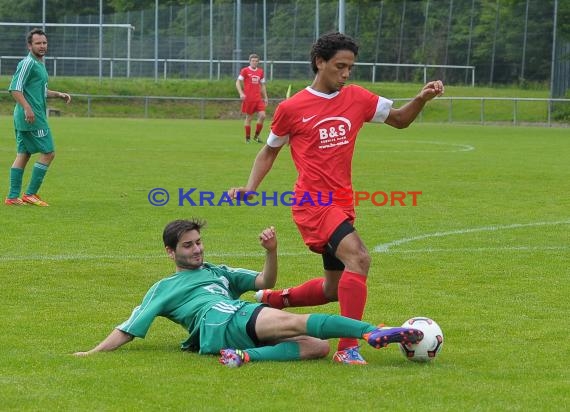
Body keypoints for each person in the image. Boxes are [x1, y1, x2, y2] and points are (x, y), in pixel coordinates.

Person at [228, 32, 444, 364]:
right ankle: (348, 348)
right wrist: (250, 188)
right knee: (359, 258)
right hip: (313, 205)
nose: (345, 74)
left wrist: (421, 98)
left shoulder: (357, 98)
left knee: (333, 288)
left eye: (350, 68)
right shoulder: (292, 108)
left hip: (343, 203)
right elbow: (269, 152)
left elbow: (400, 120)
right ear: (320, 63)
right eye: (340, 67)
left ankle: (273, 300)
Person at [73, 218, 423, 367]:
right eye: (188, 245)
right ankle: (371, 332)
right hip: (223, 317)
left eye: (198, 242)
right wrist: (92, 353)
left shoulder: (218, 271)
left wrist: (271, 251)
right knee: (294, 322)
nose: (196, 250)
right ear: (170, 252)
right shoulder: (165, 288)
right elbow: (128, 328)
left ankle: (243, 357)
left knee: (315, 347)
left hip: (230, 330)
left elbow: (263, 282)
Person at [4, 28, 71, 207]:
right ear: (29, 45)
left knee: (23, 154)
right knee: (48, 153)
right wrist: (27, 108)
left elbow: (39, 90)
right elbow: (15, 88)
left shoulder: (39, 64)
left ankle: (12, 197)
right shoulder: (27, 63)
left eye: (44, 43)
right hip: (32, 117)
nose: (42, 46)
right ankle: (30, 194)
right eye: (38, 43)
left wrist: (58, 94)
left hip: (28, 116)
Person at [236, 53, 269, 144]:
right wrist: (241, 93)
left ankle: (256, 136)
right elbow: (238, 83)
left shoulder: (260, 72)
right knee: (249, 118)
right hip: (249, 99)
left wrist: (265, 97)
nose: (254, 62)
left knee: (262, 116)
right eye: (253, 61)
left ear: (258, 62)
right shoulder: (245, 70)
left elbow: (262, 85)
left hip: (258, 99)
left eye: (256, 61)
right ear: (249, 61)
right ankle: (247, 138)